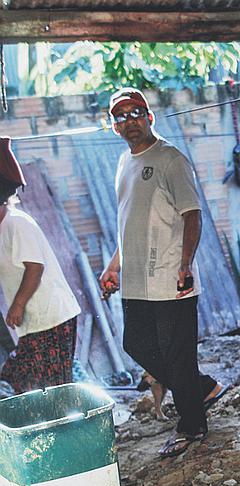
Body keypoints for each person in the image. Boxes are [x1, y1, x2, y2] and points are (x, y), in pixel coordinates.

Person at [99, 88, 227, 458]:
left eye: (135, 112)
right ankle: (201, 389)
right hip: (136, 280)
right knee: (135, 344)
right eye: (120, 116)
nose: (129, 121)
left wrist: (185, 263)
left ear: (150, 117)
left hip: (171, 277)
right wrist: (113, 266)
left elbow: (192, 214)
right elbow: (130, 225)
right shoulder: (125, 163)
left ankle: (192, 425)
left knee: (177, 356)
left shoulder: (170, 159)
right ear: (113, 126)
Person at [0, 138, 81, 394]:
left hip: (52, 317)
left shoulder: (16, 223)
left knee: (54, 388)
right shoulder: (3, 228)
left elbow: (35, 268)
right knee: (20, 379)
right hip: (35, 322)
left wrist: (18, 304)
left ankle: (73, 430)